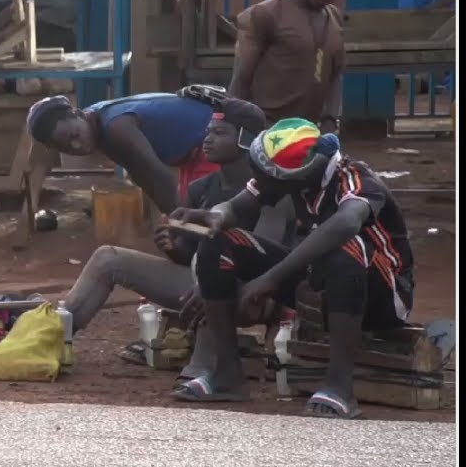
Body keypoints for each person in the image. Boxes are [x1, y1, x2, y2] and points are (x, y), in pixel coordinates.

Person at [171, 118, 414, 419]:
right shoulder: (296, 176)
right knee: (217, 242)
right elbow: (234, 208)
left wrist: (271, 278)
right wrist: (213, 216)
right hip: (324, 281)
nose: (258, 181)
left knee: (344, 244)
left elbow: (347, 223)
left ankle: (340, 386)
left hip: (384, 298)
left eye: (264, 177)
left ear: (295, 178)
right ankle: (226, 375)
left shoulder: (355, 179)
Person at [62, 99, 275, 381]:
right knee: (107, 258)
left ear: (247, 140)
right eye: (207, 131)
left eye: (219, 133)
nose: (207, 139)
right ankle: (52, 336)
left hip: (254, 293)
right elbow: (190, 255)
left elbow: (270, 257)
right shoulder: (201, 188)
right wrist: (174, 248)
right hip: (200, 286)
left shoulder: (269, 190)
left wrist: (213, 277)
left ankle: (205, 372)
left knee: (213, 278)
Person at [229, 0, 353, 131]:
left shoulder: (334, 18)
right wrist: (235, 130)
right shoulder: (265, 15)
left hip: (306, 135)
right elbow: (241, 79)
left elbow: (335, 75)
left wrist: (330, 119)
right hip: (266, 131)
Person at [26, 90, 217, 214]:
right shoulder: (96, 126)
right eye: (65, 148)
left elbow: (160, 174)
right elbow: (141, 175)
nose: (76, 146)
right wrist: (172, 216)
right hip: (192, 152)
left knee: (206, 216)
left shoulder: (116, 127)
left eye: (74, 136)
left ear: (78, 113)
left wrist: (180, 217)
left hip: (213, 139)